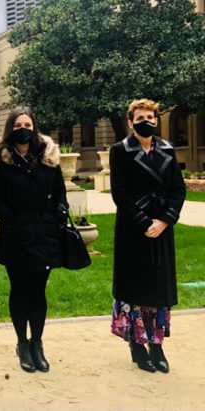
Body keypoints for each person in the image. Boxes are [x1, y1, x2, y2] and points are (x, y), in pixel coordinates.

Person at [0, 107, 67, 373]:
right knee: (19, 290)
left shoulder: (49, 157)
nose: (23, 128)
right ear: (10, 128)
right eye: (18, 125)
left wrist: (60, 210)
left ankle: (37, 343)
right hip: (15, 233)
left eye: (27, 123)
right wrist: (7, 216)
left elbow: (60, 191)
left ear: (35, 127)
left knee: (38, 292)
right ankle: (22, 343)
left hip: (44, 233)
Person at [109, 98, 186, 373]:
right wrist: (143, 222)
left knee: (158, 288)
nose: (147, 122)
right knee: (135, 287)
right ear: (130, 122)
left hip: (161, 227)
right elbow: (119, 192)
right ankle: (137, 345)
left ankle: (157, 345)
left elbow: (178, 189)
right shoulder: (120, 150)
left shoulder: (167, 149)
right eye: (140, 118)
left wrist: (165, 221)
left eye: (151, 117)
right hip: (133, 227)